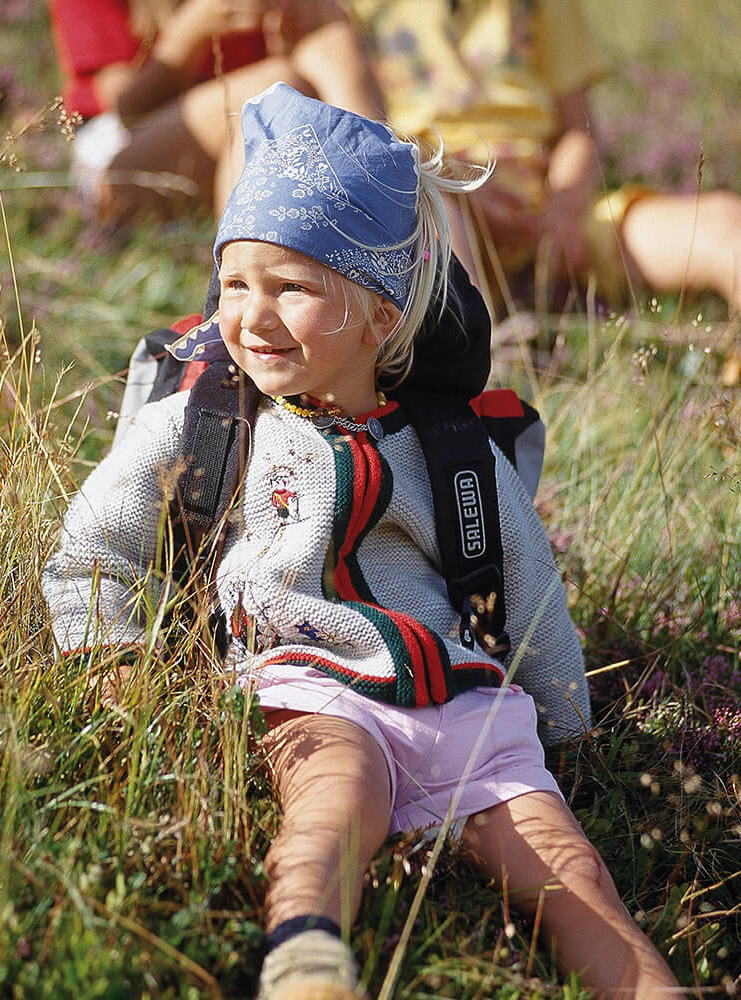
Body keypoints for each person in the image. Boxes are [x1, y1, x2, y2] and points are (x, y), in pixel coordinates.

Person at [42, 83, 685, 1000]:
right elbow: (97, 543)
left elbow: (527, 581)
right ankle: (305, 961)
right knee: (330, 805)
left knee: (570, 871)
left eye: (292, 288)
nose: (252, 317)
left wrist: (566, 724)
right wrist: (110, 654)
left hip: (466, 702)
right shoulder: (210, 422)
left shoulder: (450, 449)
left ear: (384, 315)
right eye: (233, 283)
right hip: (309, 682)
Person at [346, 0, 741, 317]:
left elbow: (577, 131)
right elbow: (357, 132)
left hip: (545, 210)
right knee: (440, 209)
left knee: (725, 222)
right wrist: (458, 184)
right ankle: (481, 366)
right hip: (429, 211)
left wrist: (561, 212)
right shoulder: (351, 13)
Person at [49, 0, 384, 222]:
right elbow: (125, 108)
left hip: (231, 150)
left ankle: (384, 223)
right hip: (114, 148)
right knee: (270, 92)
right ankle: (240, 284)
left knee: (335, 46)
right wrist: (191, 32)